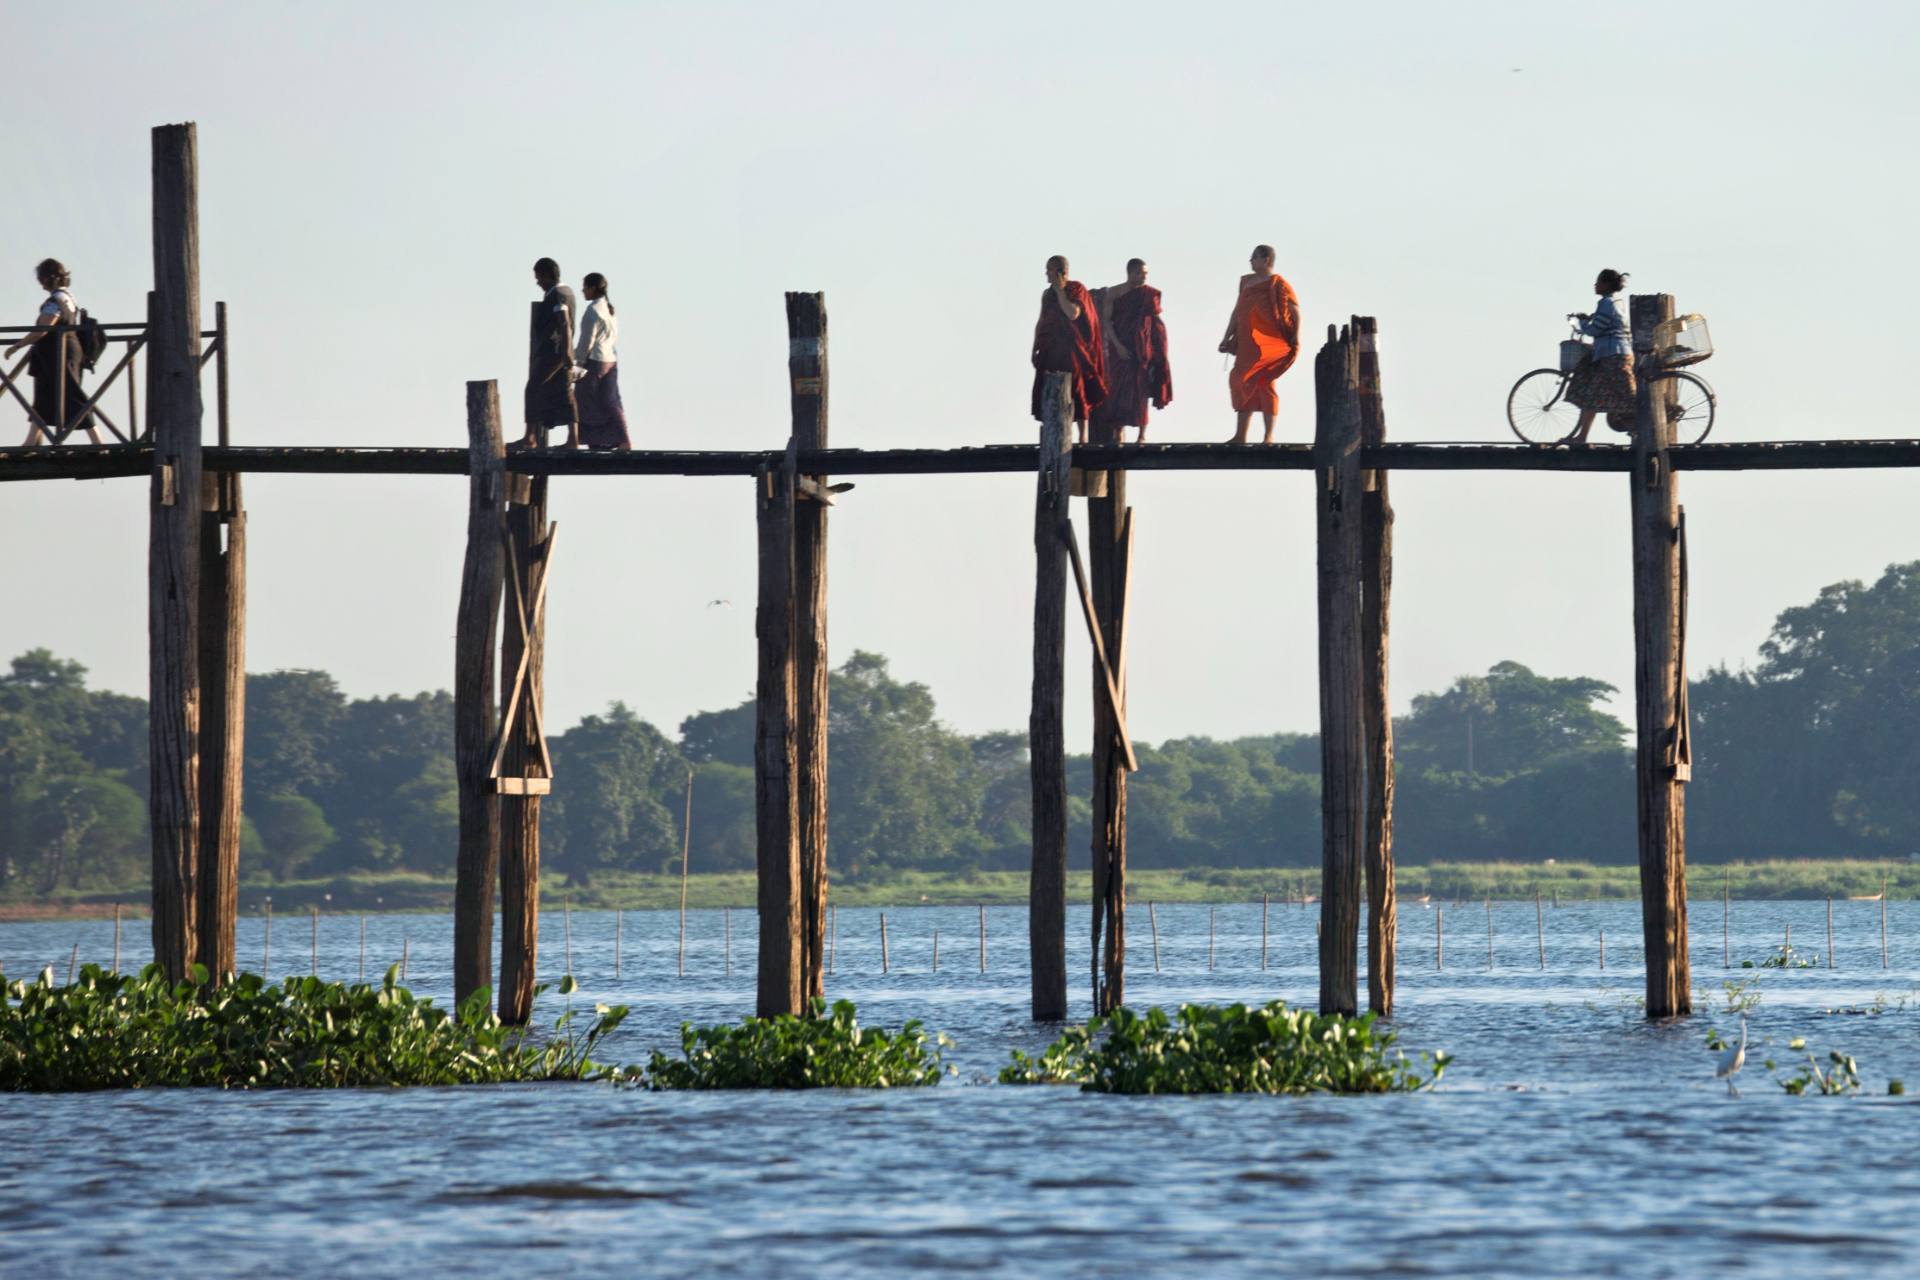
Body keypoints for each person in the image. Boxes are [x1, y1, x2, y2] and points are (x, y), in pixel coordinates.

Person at [4, 259, 100, 446]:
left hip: (59, 354)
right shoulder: (68, 296)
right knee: (44, 396)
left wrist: (17, 346)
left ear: (48, 278)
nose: (41, 284)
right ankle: (32, 441)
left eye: (41, 279)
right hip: (56, 354)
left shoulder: (55, 300)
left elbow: (43, 329)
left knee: (73, 395)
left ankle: (98, 442)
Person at [1218, 245, 1300, 445]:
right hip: (1247, 344)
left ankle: (1268, 436)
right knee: (1240, 382)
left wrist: (1296, 336)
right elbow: (1237, 311)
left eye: (1254, 258)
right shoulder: (1246, 282)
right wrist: (1227, 336)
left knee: (1265, 384)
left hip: (1268, 344)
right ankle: (1240, 436)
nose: (1251, 262)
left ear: (1266, 259)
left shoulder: (1278, 284)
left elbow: (1295, 311)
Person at [1090, 259, 1172, 444]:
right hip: (1120, 348)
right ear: (1131, 273)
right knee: (1117, 390)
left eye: (1146, 273)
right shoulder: (1114, 293)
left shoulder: (1149, 294)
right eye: (1141, 273)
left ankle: (1142, 435)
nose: (1144, 277)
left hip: (1142, 348)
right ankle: (1118, 433)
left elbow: (1156, 322)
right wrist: (1117, 346)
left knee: (1141, 390)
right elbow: (1107, 322)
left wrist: (1159, 349)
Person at [1030, 254, 1106, 442]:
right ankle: (1054, 434)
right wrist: (1034, 346)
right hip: (1051, 349)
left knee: (1078, 390)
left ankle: (1082, 437)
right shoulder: (1047, 294)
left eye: (1049, 271)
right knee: (1049, 389)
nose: (1046, 275)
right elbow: (1042, 320)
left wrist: (1061, 291)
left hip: (1073, 349)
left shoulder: (1076, 289)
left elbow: (1073, 314)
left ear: (1059, 272)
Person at [1563, 268, 1636, 444]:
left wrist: (1581, 323)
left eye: (1599, 282)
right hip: (1612, 354)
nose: (1595, 285)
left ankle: (1641, 429)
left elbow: (1595, 329)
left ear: (1606, 284)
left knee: (1631, 398)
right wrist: (1589, 319)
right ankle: (1582, 437)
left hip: (1614, 356)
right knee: (1591, 396)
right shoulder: (1616, 302)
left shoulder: (1606, 303)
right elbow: (1605, 322)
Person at [522, 257, 578, 450]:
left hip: (553, 353)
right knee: (566, 393)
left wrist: (567, 353)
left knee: (533, 389)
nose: (538, 283)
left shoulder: (557, 295)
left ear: (546, 275)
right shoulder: (568, 292)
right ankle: (573, 439)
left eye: (539, 278)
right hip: (561, 353)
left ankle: (530, 437)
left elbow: (564, 323)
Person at [573, 272, 629, 451]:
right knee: (609, 401)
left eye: (585, 287)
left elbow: (586, 342)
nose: (583, 290)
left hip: (595, 361)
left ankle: (595, 441)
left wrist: (578, 363)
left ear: (593, 288)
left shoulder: (593, 311)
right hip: (610, 361)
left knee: (583, 400)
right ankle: (620, 439)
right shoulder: (609, 309)